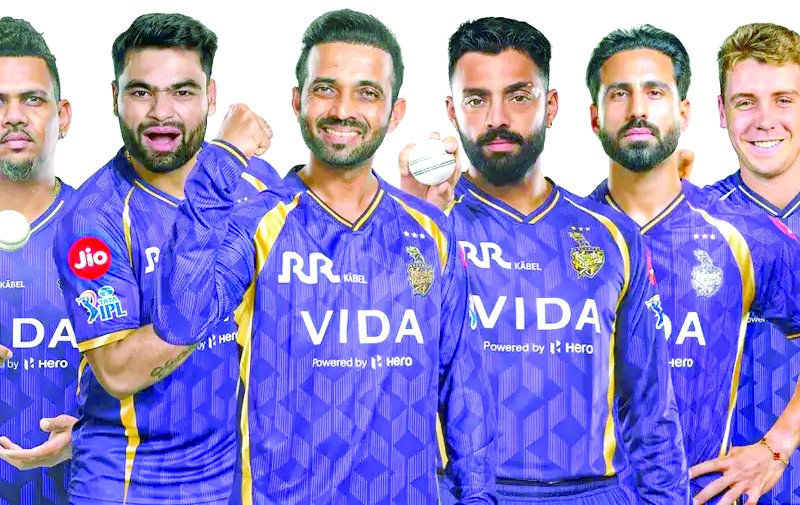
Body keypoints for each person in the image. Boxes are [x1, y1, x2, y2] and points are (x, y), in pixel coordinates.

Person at [150, 9, 497, 504]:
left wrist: (478, 497)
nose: (343, 109)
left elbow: (463, 390)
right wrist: (222, 158)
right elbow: (180, 320)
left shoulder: (432, 231)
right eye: (326, 89)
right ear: (298, 101)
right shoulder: (257, 222)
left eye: (367, 93)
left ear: (395, 113)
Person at [398, 16, 689, 504]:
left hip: (594, 493)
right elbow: (380, 376)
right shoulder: (425, 226)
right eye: (476, 100)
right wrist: (413, 226)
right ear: (452, 110)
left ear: (550, 105)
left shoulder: (613, 235)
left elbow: (651, 410)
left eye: (518, 96)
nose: (497, 118)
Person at [51, 13, 279, 505]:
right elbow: (120, 372)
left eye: (182, 91)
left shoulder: (254, 181)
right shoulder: (92, 216)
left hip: (240, 480)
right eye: (141, 92)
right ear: (115, 96)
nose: (161, 112)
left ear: (211, 96)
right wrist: (222, 163)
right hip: (133, 487)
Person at [582, 24, 800, 505]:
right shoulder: (561, 235)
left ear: (683, 111)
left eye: (654, 92)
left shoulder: (745, 234)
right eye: (619, 93)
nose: (637, 110)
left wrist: (777, 446)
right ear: (594, 115)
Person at [704, 22, 800, 504]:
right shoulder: (692, 220)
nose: (765, 120)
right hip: (719, 487)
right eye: (746, 102)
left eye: (784, 99)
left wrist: (776, 445)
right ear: (722, 111)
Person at [0, 16, 80, 505]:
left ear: (63, 116)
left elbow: (168, 380)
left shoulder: (114, 229)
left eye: (31, 99)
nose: (14, 116)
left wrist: (88, 435)